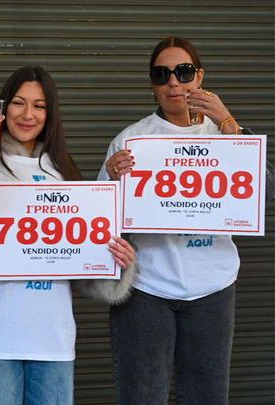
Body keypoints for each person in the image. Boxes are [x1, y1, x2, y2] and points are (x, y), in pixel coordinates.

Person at [0, 66, 136, 405]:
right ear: (3, 106)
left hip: (53, 339)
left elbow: (81, 269)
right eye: (19, 103)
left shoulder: (63, 170)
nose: (28, 114)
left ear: (50, 113)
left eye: (39, 105)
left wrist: (115, 261)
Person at [97, 36, 274, 405]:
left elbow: (267, 189)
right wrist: (112, 180)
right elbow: (100, 225)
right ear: (153, 85)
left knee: (208, 396)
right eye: (162, 75)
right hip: (147, 290)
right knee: (142, 396)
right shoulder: (131, 140)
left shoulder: (227, 133)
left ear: (200, 76)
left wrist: (228, 122)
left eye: (184, 71)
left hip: (213, 288)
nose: (174, 82)